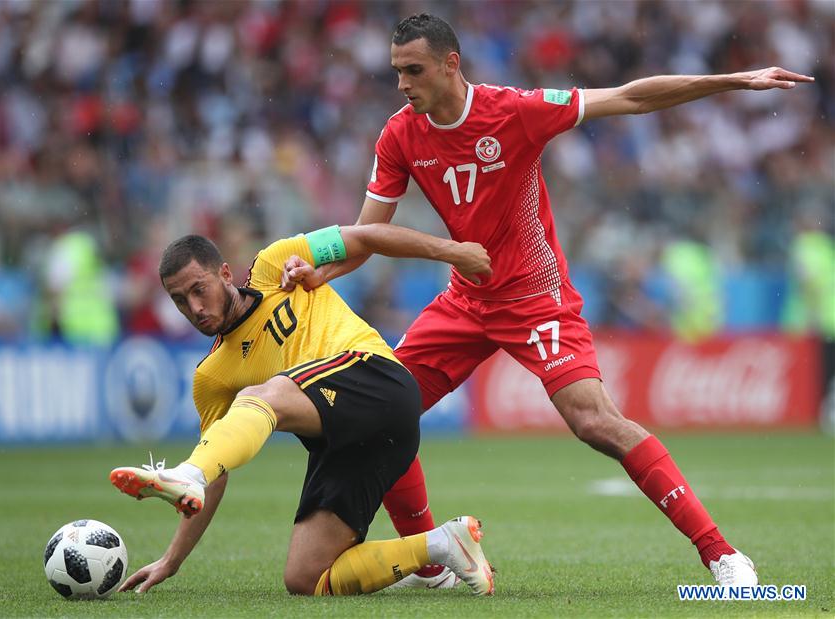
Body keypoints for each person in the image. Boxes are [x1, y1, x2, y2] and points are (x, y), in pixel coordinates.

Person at [281, 13, 815, 588]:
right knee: (388, 412)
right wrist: (321, 272)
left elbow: (631, 99)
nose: (404, 84)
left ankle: (723, 557)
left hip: (537, 299)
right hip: (465, 300)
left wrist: (734, 79)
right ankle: (436, 562)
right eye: (397, 72)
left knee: (596, 423)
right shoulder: (399, 134)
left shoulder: (514, 110)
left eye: (414, 70)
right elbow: (367, 235)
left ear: (450, 64)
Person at [109, 223, 495, 596]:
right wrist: (171, 560)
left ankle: (187, 472)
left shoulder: (275, 263)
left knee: (261, 397)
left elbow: (366, 236)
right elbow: (219, 472)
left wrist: (454, 252)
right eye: (179, 300)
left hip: (378, 378)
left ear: (225, 273)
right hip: (351, 442)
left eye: (199, 289)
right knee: (305, 577)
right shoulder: (211, 377)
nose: (194, 308)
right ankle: (443, 546)